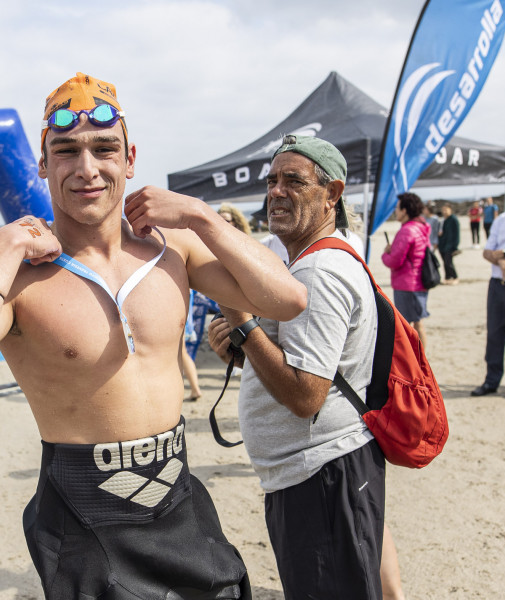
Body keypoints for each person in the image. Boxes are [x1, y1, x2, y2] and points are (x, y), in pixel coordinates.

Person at [0, 72, 309, 599]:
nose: (87, 168)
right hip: (83, 523)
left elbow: (289, 299)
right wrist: (0, 248)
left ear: (130, 157)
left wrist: (203, 217)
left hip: (179, 505)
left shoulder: (175, 249)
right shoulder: (20, 279)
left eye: (104, 148)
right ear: (43, 164)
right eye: (66, 151)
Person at [208, 135, 383, 599]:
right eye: (272, 181)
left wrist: (242, 322)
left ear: (333, 193)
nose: (276, 192)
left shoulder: (317, 272)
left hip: (321, 473)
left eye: (293, 181)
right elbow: (307, 362)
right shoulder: (308, 259)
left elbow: (307, 395)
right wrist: (244, 347)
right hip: (319, 471)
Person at [471, 197, 505, 399]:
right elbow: (487, 251)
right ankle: (491, 381)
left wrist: (504, 252)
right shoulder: (502, 219)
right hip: (498, 285)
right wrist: (503, 261)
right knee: (495, 336)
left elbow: (496, 251)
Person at [382, 192, 431, 345]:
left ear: (404, 210)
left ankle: (416, 360)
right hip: (420, 282)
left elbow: (395, 261)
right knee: (418, 322)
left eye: (397, 208)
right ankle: (422, 358)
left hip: (407, 283)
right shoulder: (421, 227)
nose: (396, 211)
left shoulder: (407, 230)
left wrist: (385, 253)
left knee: (406, 326)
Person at [437, 203, 460, 285]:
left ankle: (455, 277)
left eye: (446, 209)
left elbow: (457, 234)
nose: (444, 211)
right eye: (443, 210)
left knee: (448, 262)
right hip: (442, 244)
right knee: (445, 262)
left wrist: (455, 246)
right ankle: (447, 277)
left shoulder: (453, 219)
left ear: (450, 210)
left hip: (450, 245)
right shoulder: (443, 220)